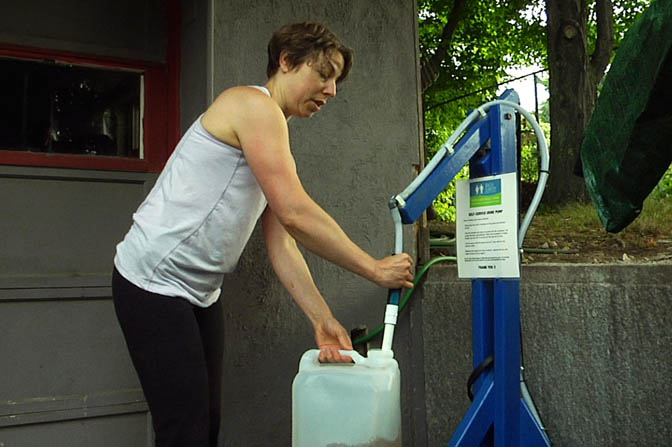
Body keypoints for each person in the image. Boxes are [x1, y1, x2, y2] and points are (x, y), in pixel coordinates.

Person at [111, 22, 414, 447]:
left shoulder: (273, 132)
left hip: (199, 292)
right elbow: (295, 214)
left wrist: (322, 319)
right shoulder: (252, 106)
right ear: (286, 61)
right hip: (151, 281)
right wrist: (374, 269)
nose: (331, 91)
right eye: (323, 74)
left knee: (206, 422)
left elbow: (282, 241)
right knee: (184, 430)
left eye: (336, 81)